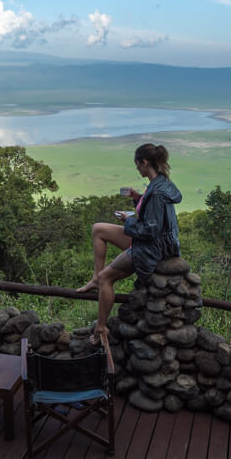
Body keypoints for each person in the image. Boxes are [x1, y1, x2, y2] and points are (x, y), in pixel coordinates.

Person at [76, 143, 182, 346]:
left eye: (137, 165)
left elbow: (150, 230)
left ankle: (101, 327)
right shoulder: (160, 183)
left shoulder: (158, 192)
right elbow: (153, 215)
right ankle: (95, 279)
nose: (137, 169)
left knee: (107, 277)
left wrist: (128, 220)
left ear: (144, 162)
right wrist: (138, 198)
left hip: (152, 248)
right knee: (98, 229)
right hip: (152, 241)